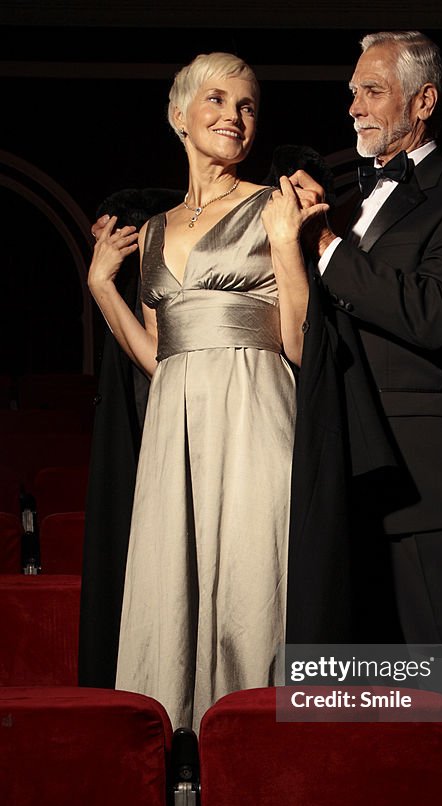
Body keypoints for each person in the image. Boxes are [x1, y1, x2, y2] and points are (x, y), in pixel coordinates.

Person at [87, 52, 327, 730]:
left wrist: (286, 245)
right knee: (174, 592)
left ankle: (260, 754)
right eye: (218, 101)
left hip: (257, 411)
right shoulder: (155, 228)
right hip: (176, 426)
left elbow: (304, 346)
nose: (235, 117)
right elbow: (162, 359)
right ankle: (179, 767)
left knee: (257, 585)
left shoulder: (273, 205)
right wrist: (104, 288)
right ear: (179, 116)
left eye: (248, 106)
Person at [290, 30, 442, 644]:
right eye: (352, 92)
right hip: (341, 468)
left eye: (373, 91)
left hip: (423, 480)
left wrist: (328, 248)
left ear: (424, 102)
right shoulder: (340, 194)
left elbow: (436, 313)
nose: (354, 106)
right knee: (361, 690)